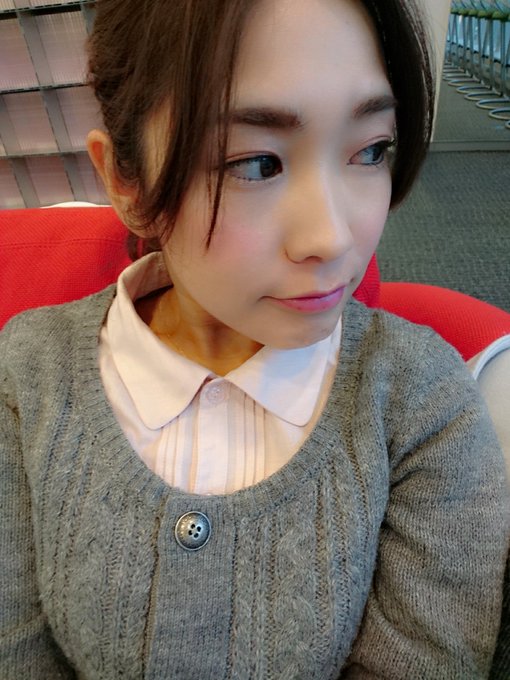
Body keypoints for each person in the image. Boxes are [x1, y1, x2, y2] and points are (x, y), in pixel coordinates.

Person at [0, 0, 508, 677]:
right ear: (126, 180)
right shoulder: (26, 379)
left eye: (371, 150)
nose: (331, 237)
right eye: (257, 163)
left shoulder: (425, 408)